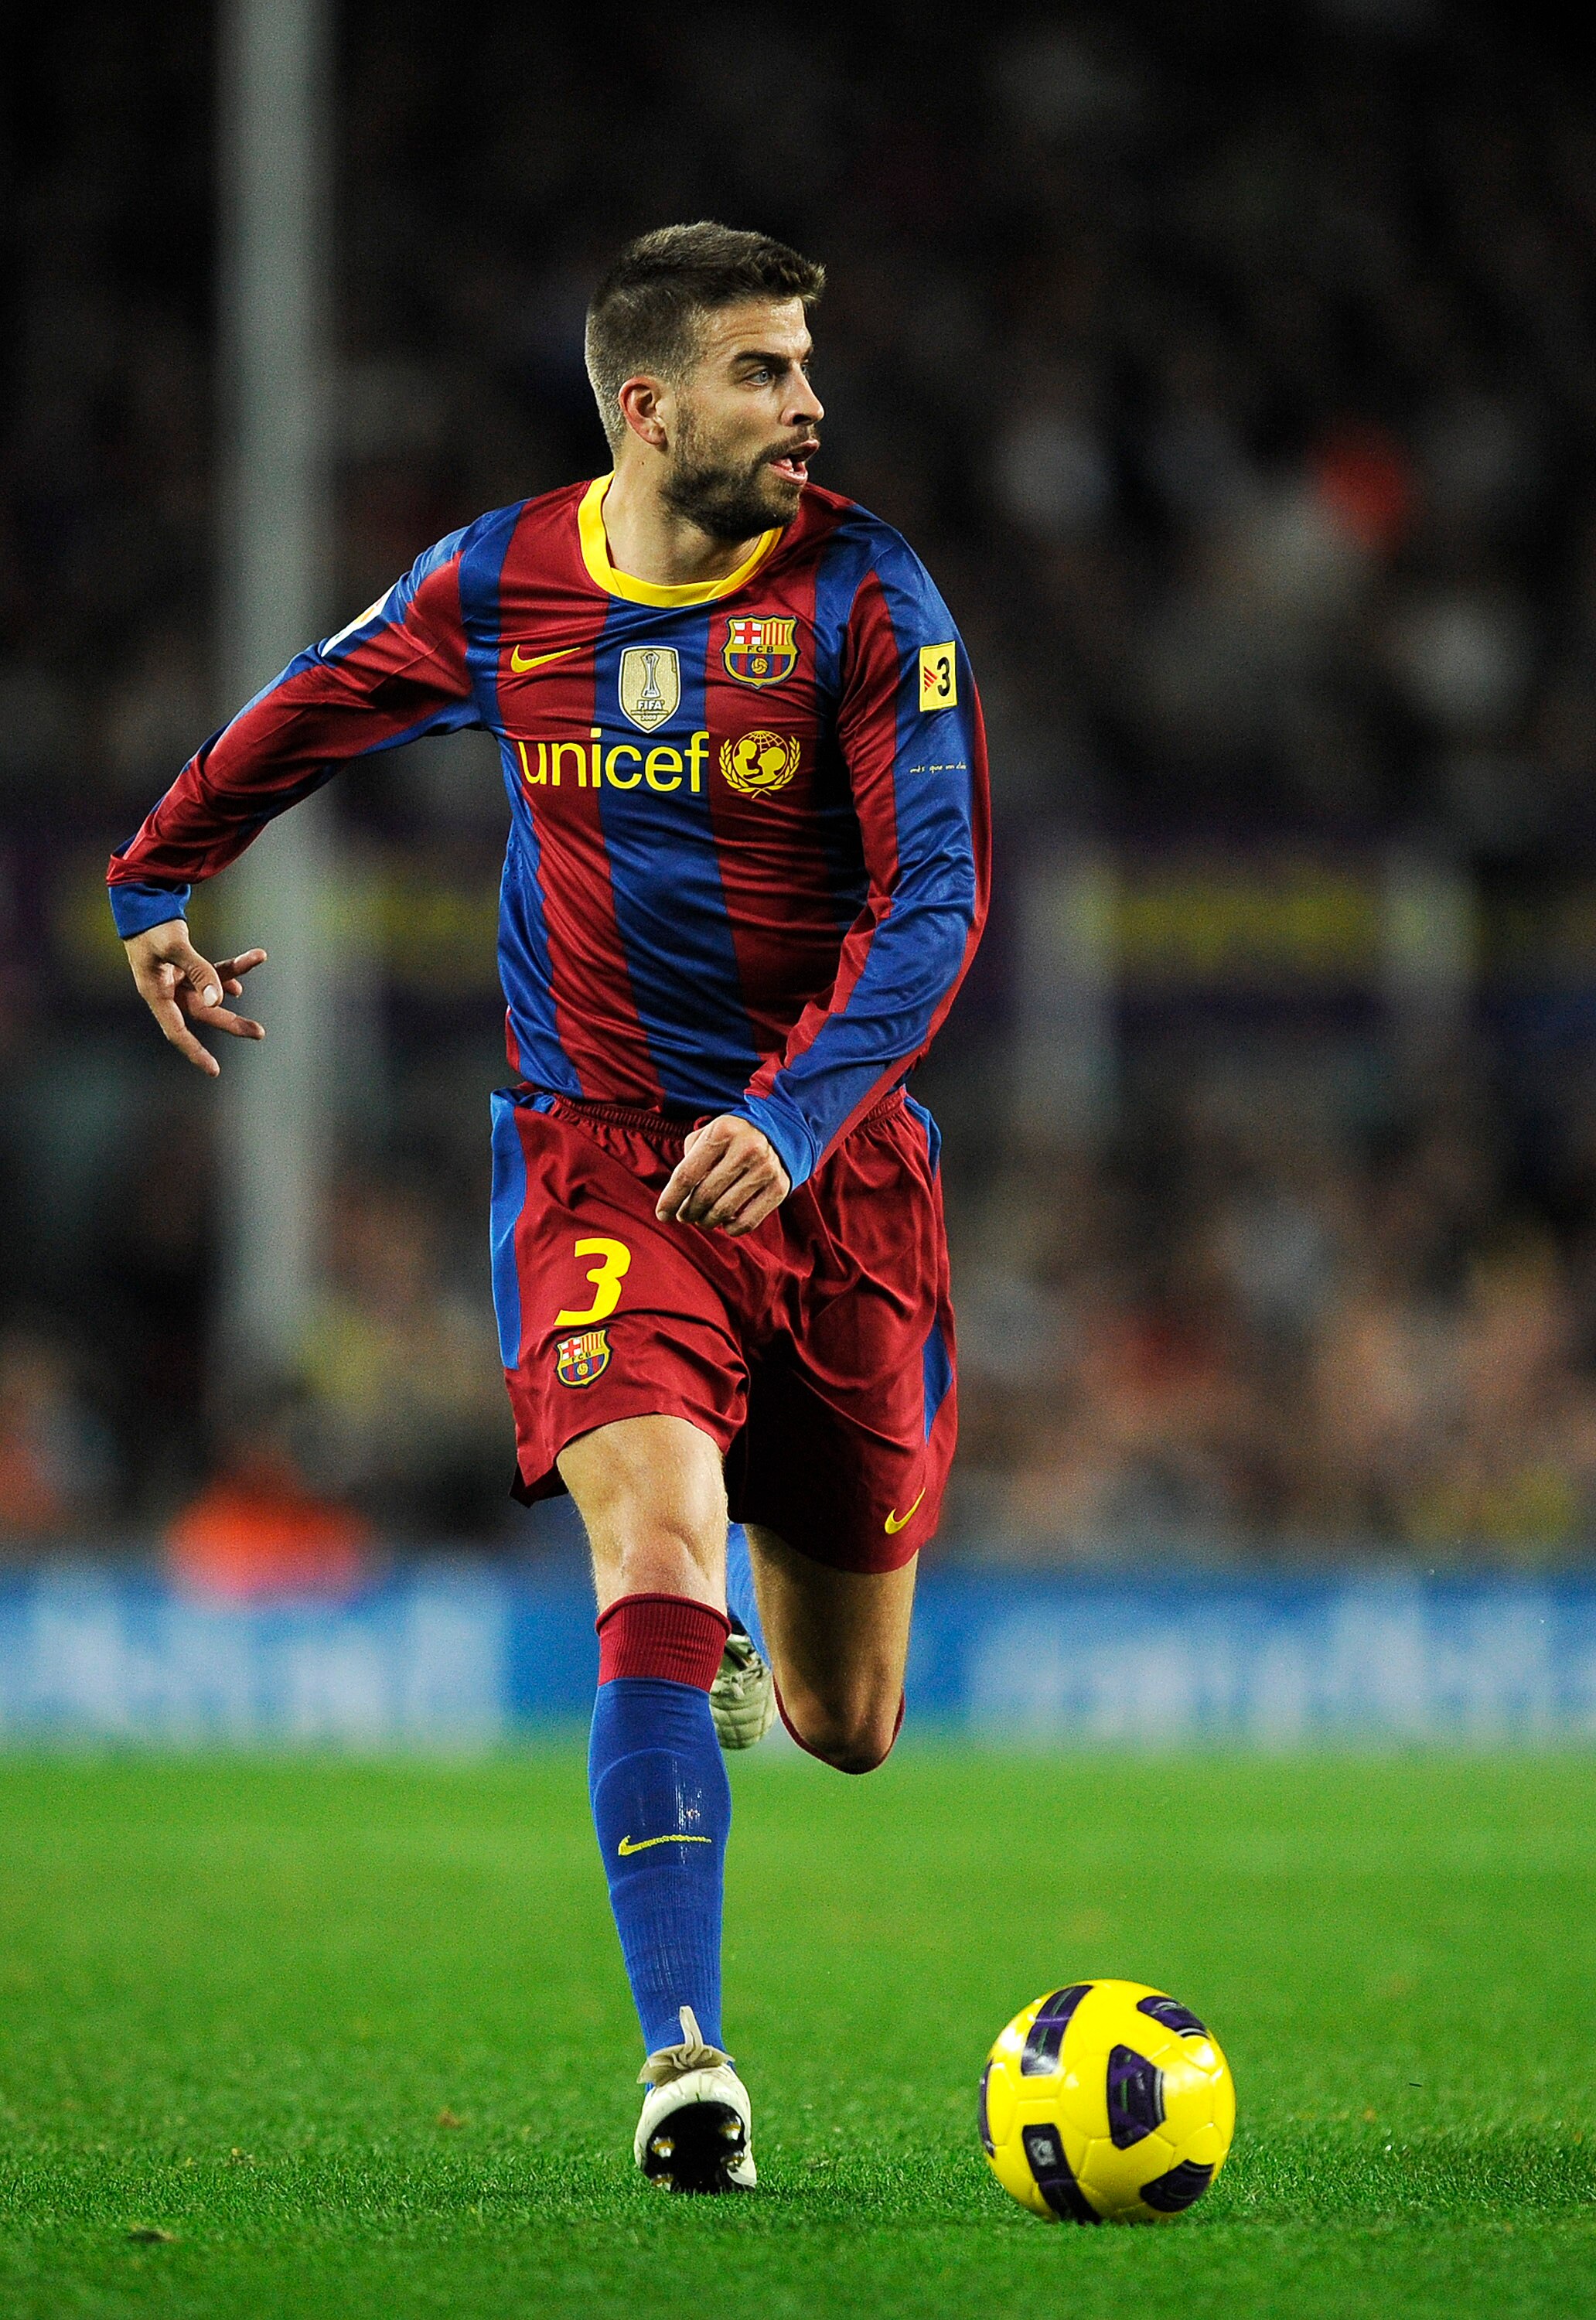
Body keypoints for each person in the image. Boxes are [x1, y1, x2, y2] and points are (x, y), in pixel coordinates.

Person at [108, 222, 990, 2192]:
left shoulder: (868, 593)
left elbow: (938, 903)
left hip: (830, 1175)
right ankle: (687, 2059)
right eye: (767, 370)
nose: (809, 403)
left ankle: (756, 1604)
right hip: (602, 1160)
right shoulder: (502, 582)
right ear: (649, 405)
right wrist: (153, 886)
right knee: (654, 1549)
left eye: (807, 366)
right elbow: (308, 708)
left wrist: (800, 1107)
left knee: (849, 1722)